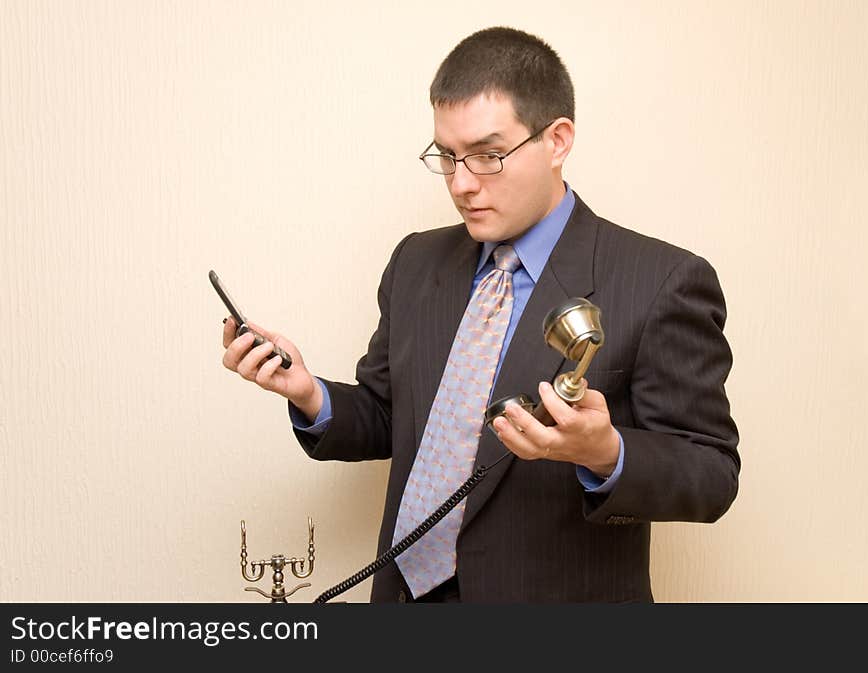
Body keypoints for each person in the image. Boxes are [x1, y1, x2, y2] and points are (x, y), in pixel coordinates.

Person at [221, 26, 740, 603]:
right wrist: (308, 393)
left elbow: (712, 474)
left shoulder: (663, 280)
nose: (462, 184)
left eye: (489, 156)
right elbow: (390, 416)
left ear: (558, 140)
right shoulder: (416, 262)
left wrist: (605, 451)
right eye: (447, 156)